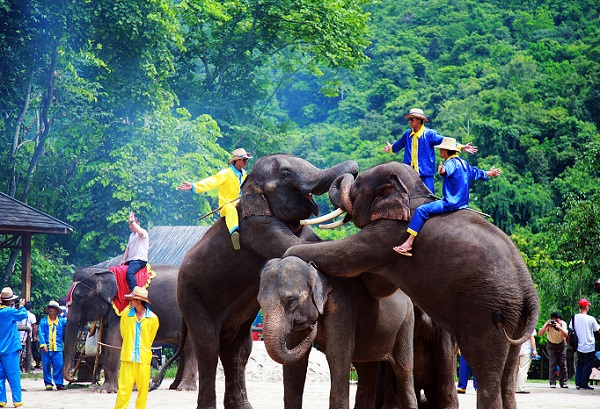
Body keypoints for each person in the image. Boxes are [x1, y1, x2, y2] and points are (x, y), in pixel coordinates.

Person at [393, 137, 501, 256]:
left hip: (451, 203)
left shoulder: (450, 163)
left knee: (421, 210)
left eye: (441, 149)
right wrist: (489, 173)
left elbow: (447, 170)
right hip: (463, 204)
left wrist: (443, 171)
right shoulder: (464, 163)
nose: (440, 152)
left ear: (445, 150)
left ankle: (408, 243)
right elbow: (476, 172)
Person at [382, 108, 477, 193]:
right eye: (408, 119)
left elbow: (443, 140)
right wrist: (391, 148)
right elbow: (398, 144)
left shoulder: (429, 134)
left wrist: (461, 147)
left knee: (429, 197)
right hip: (409, 173)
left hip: (425, 173)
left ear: (419, 120)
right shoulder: (407, 134)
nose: (409, 122)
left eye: (411, 119)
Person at [178, 148, 253, 251]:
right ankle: (234, 233)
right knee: (231, 210)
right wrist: (193, 186)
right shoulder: (226, 173)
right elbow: (211, 182)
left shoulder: (245, 175)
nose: (246, 162)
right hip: (227, 205)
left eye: (246, 160)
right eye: (244, 159)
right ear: (237, 160)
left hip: (242, 204)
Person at [113, 286, 159, 409]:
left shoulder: (153, 319)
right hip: (128, 358)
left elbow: (150, 338)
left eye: (132, 299)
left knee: (143, 392)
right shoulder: (126, 315)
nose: (130, 301)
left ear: (139, 301)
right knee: (123, 391)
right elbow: (123, 333)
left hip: (143, 359)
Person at [0, 287, 28, 408]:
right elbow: (23, 314)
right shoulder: (9, 312)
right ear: (10, 301)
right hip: (10, 348)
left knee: (0, 377)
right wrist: (21, 306)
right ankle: (17, 401)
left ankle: (1, 400)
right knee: (14, 376)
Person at [570, 298, 600, 390]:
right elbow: (597, 329)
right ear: (586, 307)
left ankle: (578, 382)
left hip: (579, 345)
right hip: (589, 345)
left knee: (580, 364)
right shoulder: (591, 319)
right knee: (588, 365)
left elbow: (571, 328)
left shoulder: (574, 317)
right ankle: (584, 383)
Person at [38, 300, 67, 391]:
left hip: (57, 348)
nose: (51, 309)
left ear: (56, 310)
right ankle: (48, 383)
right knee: (46, 366)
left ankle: (59, 384)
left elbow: (70, 326)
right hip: (46, 348)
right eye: (49, 308)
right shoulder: (43, 321)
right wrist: (43, 344)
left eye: (53, 308)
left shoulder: (62, 321)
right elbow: (41, 333)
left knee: (59, 365)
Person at [119, 211, 149, 292]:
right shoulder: (131, 236)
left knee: (130, 273)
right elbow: (127, 248)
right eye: (129, 224)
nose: (130, 226)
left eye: (131, 224)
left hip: (139, 260)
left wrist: (132, 221)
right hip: (131, 260)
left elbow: (140, 232)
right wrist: (123, 260)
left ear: (138, 224)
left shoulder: (143, 232)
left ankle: (135, 292)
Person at [538, 312, 568, 388]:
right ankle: (552, 382)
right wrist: (546, 325)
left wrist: (559, 327)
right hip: (551, 345)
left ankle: (563, 382)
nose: (554, 322)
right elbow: (540, 334)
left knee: (562, 364)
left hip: (561, 345)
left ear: (559, 320)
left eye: (556, 320)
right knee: (552, 364)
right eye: (553, 320)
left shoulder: (563, 324)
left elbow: (566, 335)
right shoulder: (548, 325)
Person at [515, 329, 538, 394]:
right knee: (523, 369)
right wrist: (534, 350)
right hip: (526, 350)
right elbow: (531, 337)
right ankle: (520, 388)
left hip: (516, 350)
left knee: (515, 369)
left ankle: (513, 386)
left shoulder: (517, 325)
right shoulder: (529, 325)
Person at [18, 301, 39, 369]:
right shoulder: (31, 316)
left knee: (19, 351)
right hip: (26, 336)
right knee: (26, 351)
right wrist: (35, 336)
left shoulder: (18, 313)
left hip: (17, 335)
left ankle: (24, 364)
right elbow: (34, 327)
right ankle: (26, 364)